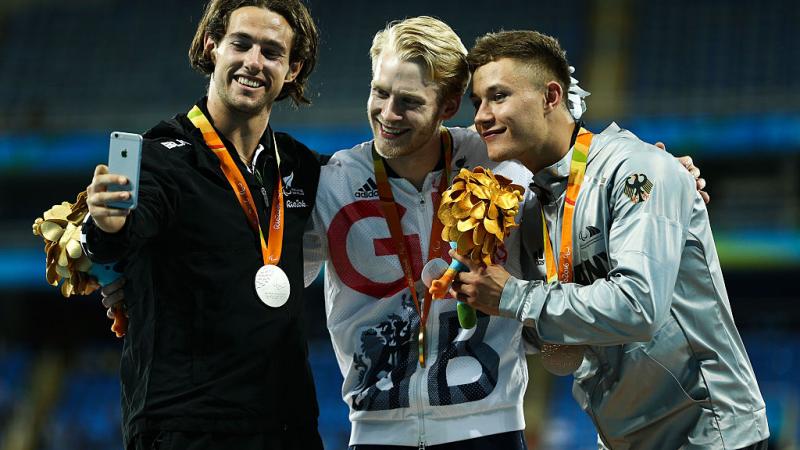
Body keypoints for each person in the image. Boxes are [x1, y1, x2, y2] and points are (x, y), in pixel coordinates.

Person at [301, 17, 706, 449]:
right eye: (379, 93)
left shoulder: (501, 158)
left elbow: (581, 179)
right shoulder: (331, 182)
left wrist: (664, 174)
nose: (387, 113)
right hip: (374, 432)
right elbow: (274, 287)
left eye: (409, 101)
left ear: (449, 105)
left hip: (492, 428)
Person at [453, 30, 769, 449]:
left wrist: (513, 297)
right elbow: (549, 329)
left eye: (498, 96)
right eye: (477, 103)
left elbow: (638, 307)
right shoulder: (531, 209)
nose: (481, 116)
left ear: (551, 96)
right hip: (621, 439)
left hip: (707, 435)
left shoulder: (637, 169)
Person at [81, 1, 324, 449]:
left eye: (272, 51)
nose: (253, 61)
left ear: (293, 68)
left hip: (287, 424)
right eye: (241, 43)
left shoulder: (300, 166)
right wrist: (107, 224)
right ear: (213, 46)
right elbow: (116, 239)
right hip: (188, 425)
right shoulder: (160, 159)